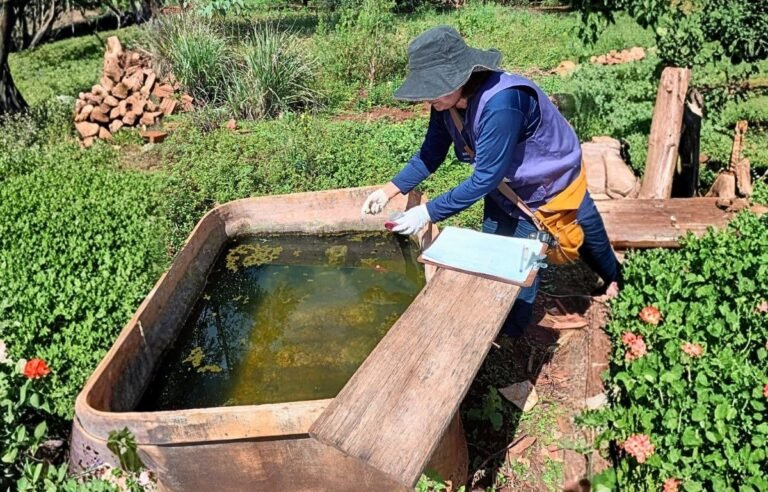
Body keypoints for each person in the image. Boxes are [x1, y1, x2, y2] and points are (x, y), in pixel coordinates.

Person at [361, 25, 621, 337]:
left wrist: (427, 213)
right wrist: (388, 190)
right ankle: (502, 330)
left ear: (459, 78)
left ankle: (512, 338)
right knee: (495, 256)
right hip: (508, 190)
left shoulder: (502, 104)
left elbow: (485, 177)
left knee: (529, 263)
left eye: (433, 89)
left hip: (550, 187)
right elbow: (430, 154)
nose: (428, 99)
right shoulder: (445, 104)